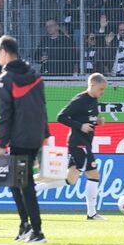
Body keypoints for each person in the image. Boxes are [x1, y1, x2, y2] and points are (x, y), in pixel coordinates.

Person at [0, 34, 49, 243]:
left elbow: (5, 114)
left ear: (4, 52)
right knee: (16, 182)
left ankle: (36, 230)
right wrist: (45, 136)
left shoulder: (5, 79)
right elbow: (43, 107)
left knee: (23, 184)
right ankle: (25, 226)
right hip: (34, 136)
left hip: (19, 138)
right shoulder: (35, 76)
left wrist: (1, 144)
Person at [50, 72, 109, 220]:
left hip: (85, 143)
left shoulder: (94, 100)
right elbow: (61, 116)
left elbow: (88, 119)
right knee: (87, 176)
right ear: (93, 85)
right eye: (101, 89)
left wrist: (97, 122)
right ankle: (91, 213)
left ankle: (91, 213)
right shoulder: (80, 100)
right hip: (78, 143)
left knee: (75, 179)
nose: (102, 92)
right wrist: (80, 126)